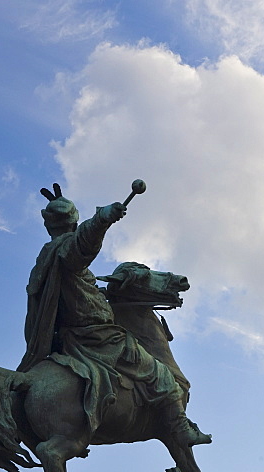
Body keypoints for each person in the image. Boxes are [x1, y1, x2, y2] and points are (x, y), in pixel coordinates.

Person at [18, 183, 210, 446]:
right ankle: (180, 428)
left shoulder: (45, 259)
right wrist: (102, 218)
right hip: (100, 338)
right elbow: (81, 245)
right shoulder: (65, 250)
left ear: (48, 226)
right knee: (161, 374)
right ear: (74, 222)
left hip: (71, 339)